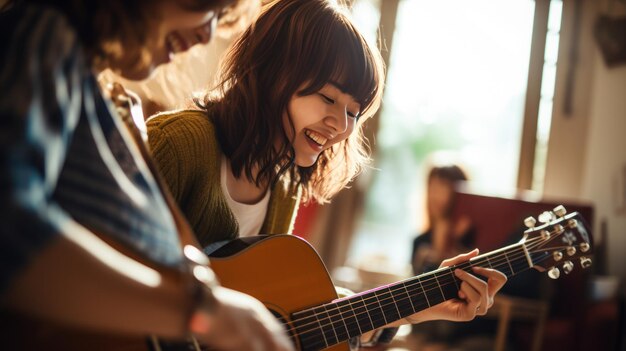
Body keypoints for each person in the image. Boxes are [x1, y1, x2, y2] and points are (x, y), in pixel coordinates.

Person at [146, 0, 508, 348]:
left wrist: (417, 307)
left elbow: (292, 316)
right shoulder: (178, 144)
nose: (341, 126)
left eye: (353, 111)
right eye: (327, 97)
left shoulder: (283, 183)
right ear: (270, 71)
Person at [0, 0, 293, 350]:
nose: (207, 33)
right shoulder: (44, 34)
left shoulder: (102, 97)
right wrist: (203, 313)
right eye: (207, 7)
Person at [412, 164, 475, 275]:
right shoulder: (420, 242)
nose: (436, 195)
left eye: (444, 187)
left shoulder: (473, 242)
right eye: (433, 187)